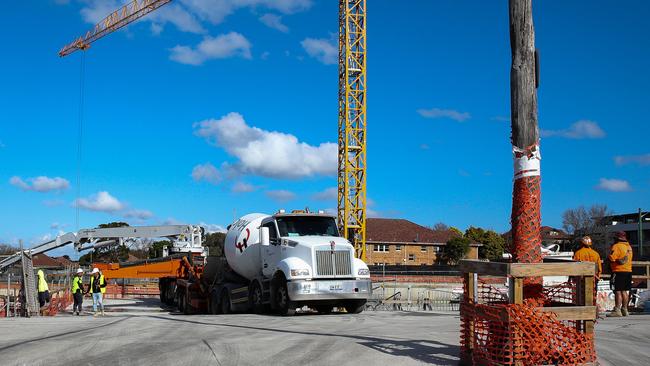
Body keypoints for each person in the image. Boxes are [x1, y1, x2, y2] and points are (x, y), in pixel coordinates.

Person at [607, 231, 633, 317]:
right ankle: (625, 309)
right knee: (624, 291)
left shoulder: (616, 246)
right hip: (628, 271)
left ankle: (617, 310)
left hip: (618, 271)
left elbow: (611, 257)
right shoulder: (629, 247)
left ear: (617, 238)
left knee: (618, 291)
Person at [573, 236, 602, 310]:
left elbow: (574, 267)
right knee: (592, 295)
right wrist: (598, 277)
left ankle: (583, 311)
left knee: (581, 296)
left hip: (581, 279)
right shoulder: (596, 254)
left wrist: (573, 278)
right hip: (593, 279)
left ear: (581, 243)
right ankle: (592, 310)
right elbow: (599, 268)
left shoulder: (578, 253)